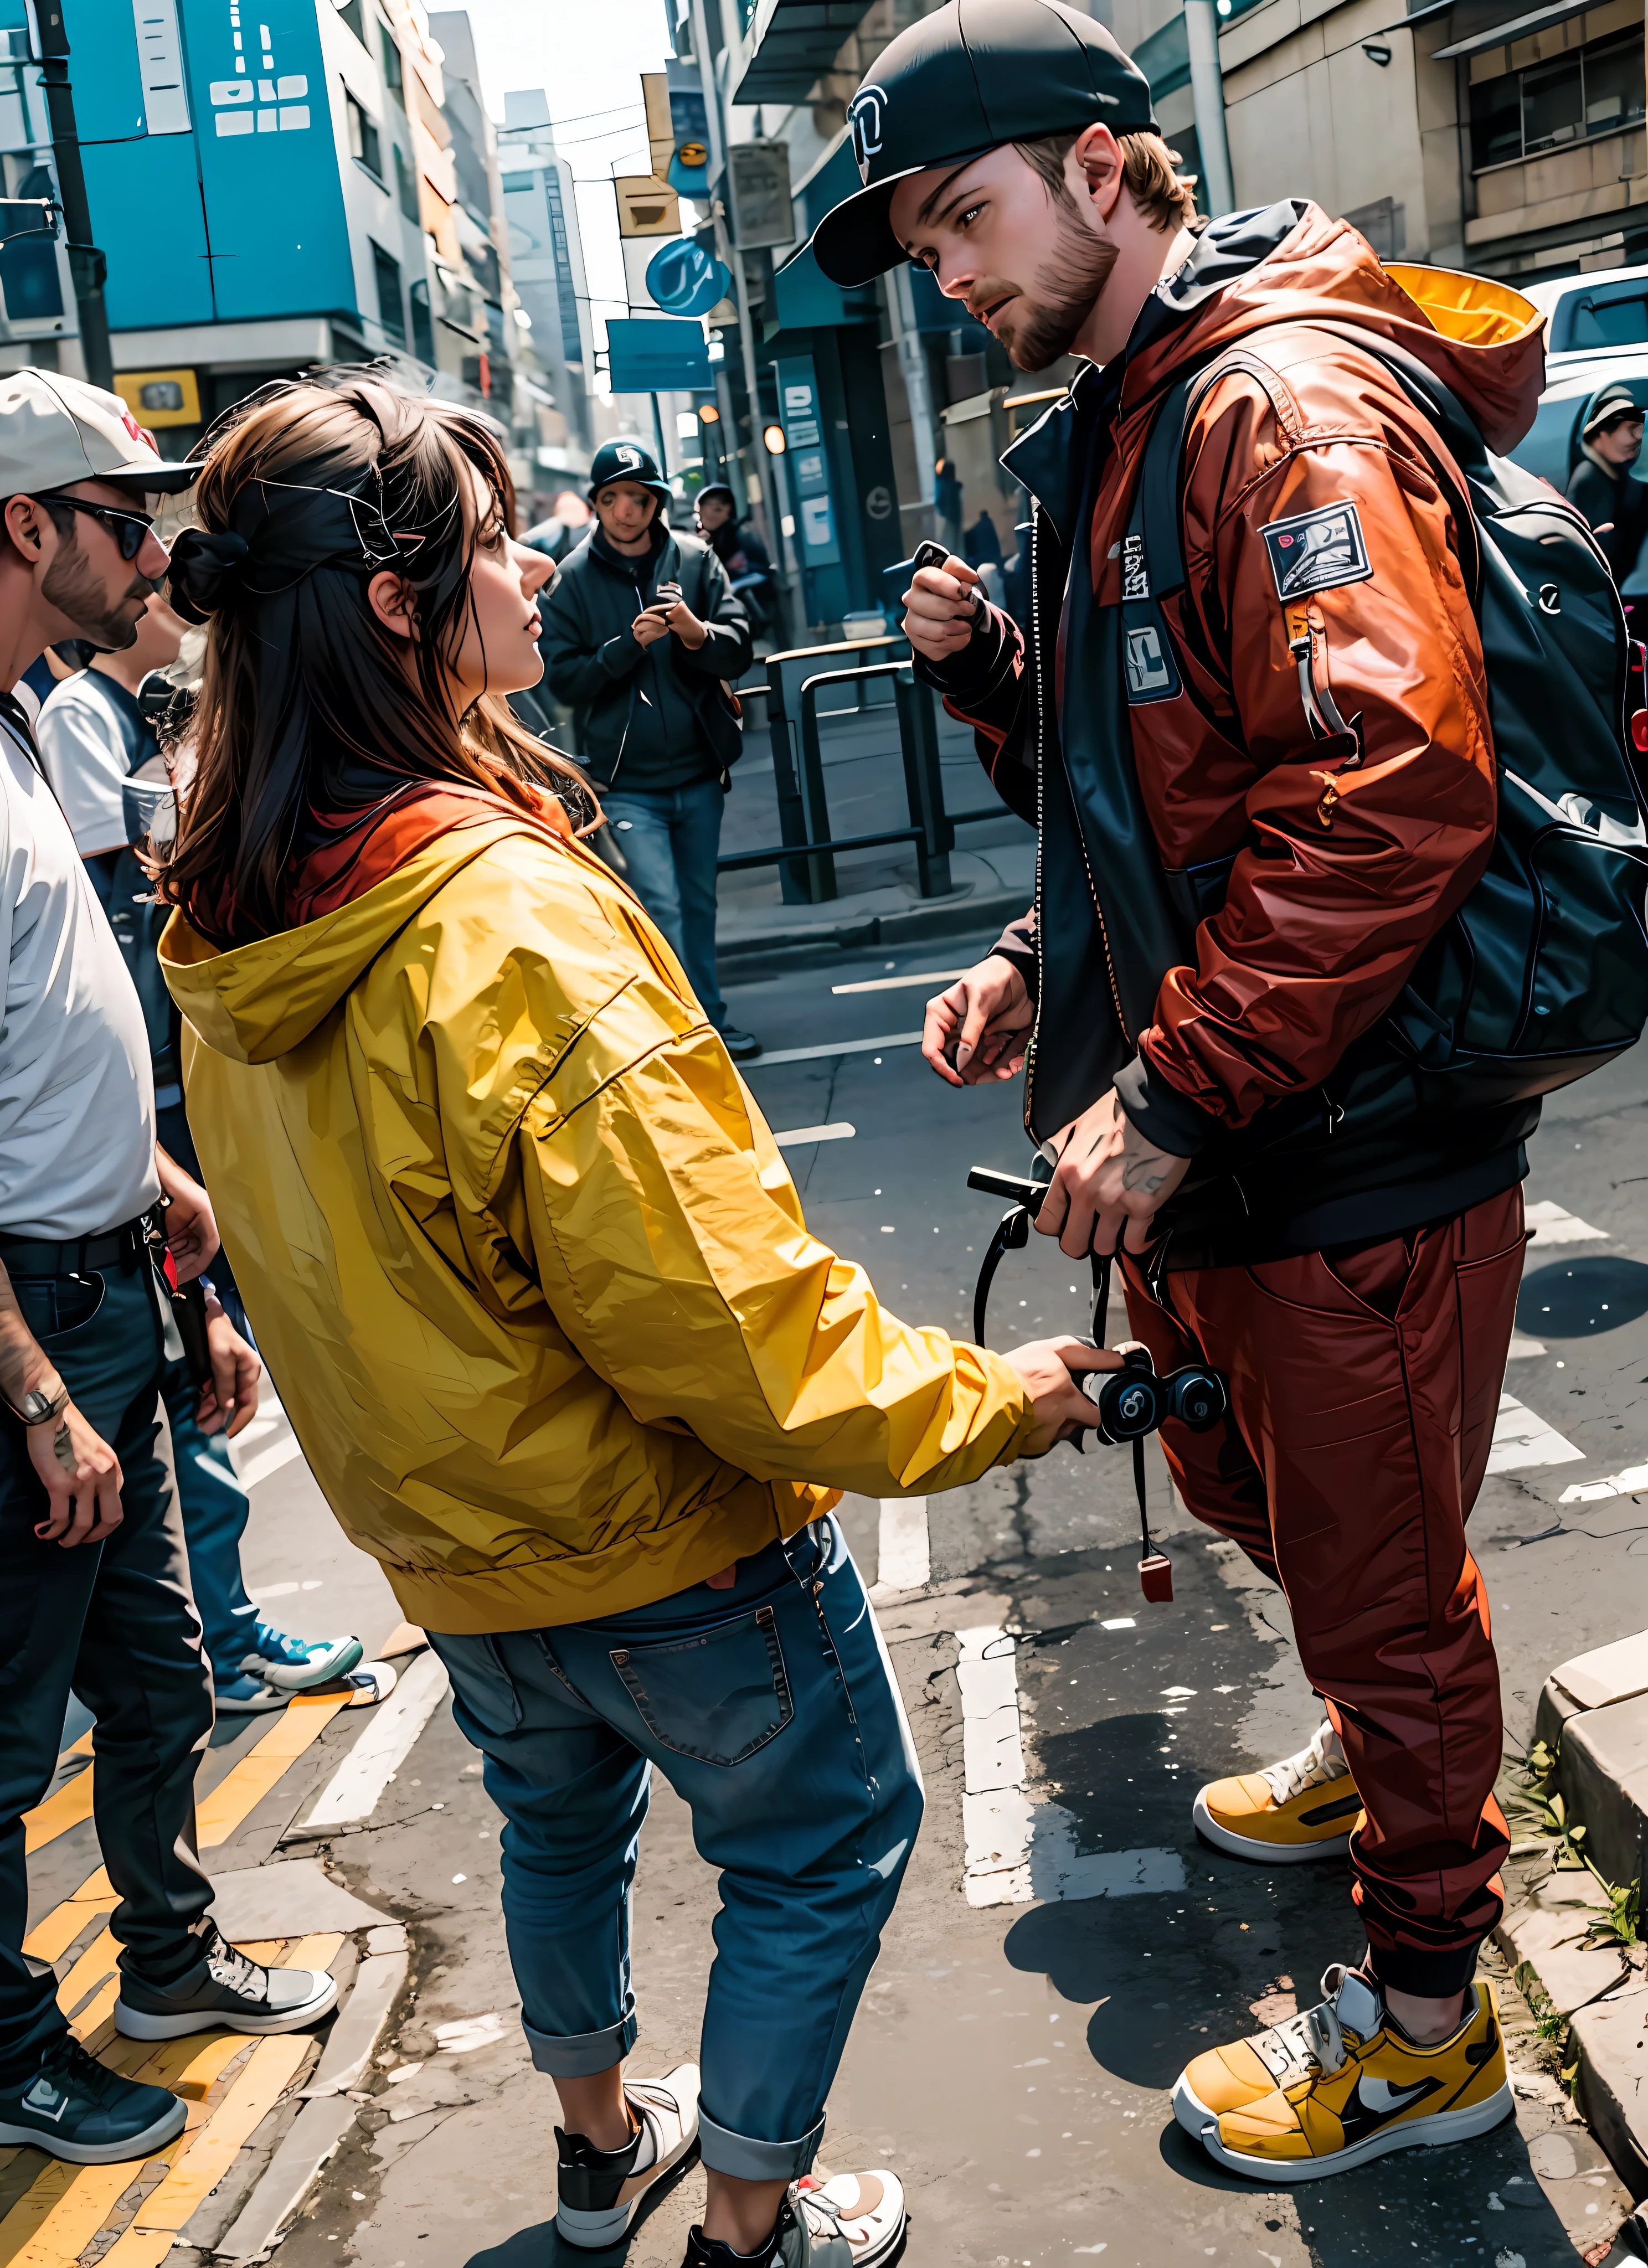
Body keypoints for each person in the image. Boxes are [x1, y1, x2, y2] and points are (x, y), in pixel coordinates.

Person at [152, 373, 1113, 2268]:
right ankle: (749, 2220)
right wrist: (995, 1395)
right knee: (821, 1835)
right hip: (664, 1536)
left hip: (451, 1543)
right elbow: (726, 1322)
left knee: (555, 1824)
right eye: (493, 536)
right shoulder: (496, 913)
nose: (529, 564)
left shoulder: (224, 914)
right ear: (399, 607)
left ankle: (604, 2150)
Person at [811, 0, 1548, 2185]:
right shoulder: (1132, 422)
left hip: (1339, 1139)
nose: (951, 277)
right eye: (927, 246)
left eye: (967, 218)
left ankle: (1428, 2026)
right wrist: (1044, 955)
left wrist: (1172, 1086)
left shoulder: (1275, 400)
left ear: (1110, 165)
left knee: (1389, 1591)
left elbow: (1390, 782)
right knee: (1277, 1517)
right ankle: (1358, 1737)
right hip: (1229, 1140)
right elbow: (1181, 803)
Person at [0, 369, 341, 2169]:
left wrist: (159, 1206)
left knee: (158, 1678)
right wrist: (43, 1396)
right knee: (4, 1739)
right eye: (123, 519)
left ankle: (169, 1960)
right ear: (24, 529)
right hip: (23, 1325)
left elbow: (45, 1032)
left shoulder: (21, 730)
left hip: (108, 1266)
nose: (152, 550)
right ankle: (9, 2054)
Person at [35, 616, 368, 1713]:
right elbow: (135, 885)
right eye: (138, 539)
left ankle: (211, 1641)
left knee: (198, 1379)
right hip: (136, 1144)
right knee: (189, 1391)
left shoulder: (102, 719)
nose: (163, 583)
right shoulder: (82, 719)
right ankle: (219, 1645)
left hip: (153, 1132)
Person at [540, 440, 761, 1063]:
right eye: (611, 499)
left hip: (698, 767)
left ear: (656, 501)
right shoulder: (571, 578)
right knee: (660, 903)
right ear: (596, 505)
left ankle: (711, 1020)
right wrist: (624, 649)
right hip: (626, 779)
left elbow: (739, 644)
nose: (625, 511)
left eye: (637, 498)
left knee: (700, 900)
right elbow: (562, 680)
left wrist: (697, 634)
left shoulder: (694, 559)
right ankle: (690, 1031)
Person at [1567, 381, 1648, 585]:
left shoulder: (1617, 472)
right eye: (1630, 431)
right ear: (1603, 433)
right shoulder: (1589, 478)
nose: (1638, 441)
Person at [695, 482, 775, 641]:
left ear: (726, 511)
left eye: (717, 509)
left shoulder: (738, 532)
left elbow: (745, 565)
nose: (704, 517)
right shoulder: (712, 536)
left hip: (754, 579)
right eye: (701, 511)